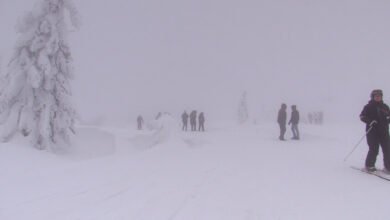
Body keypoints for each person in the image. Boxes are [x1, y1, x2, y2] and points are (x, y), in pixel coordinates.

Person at [360, 89, 390, 172]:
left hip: (384, 132)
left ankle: (388, 167)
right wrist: (370, 121)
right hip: (372, 132)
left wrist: (388, 119)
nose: (378, 97)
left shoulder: (385, 107)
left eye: (379, 96)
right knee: (374, 149)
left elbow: (389, 116)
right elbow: (362, 116)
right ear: (372, 97)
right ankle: (369, 166)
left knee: (387, 149)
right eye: (376, 96)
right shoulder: (368, 107)